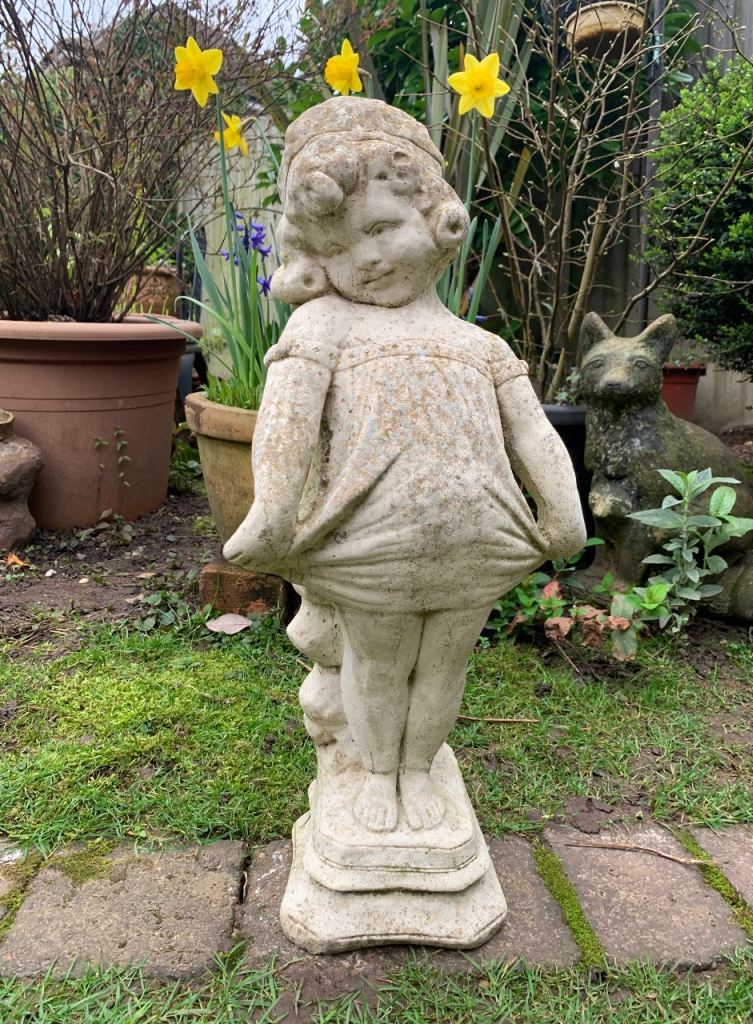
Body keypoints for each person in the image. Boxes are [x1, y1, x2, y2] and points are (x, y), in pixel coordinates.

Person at [224, 97, 585, 834]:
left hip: (478, 539)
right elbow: (287, 418)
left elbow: (533, 432)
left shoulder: (480, 346)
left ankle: (418, 769)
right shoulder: (323, 325)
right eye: (337, 251)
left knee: (446, 666)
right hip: (374, 546)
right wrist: (272, 512)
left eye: (381, 229)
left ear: (436, 219)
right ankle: (378, 775)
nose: (366, 259)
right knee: (380, 665)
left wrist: (563, 511)